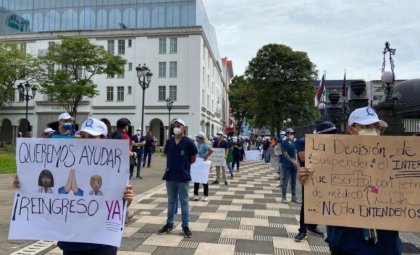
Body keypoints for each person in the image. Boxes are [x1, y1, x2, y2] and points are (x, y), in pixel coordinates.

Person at [13, 117, 134, 255]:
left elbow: (116, 202)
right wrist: (24, 182)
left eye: (92, 137)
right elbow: (46, 187)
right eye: (82, 135)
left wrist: (127, 200)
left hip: (102, 241)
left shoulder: (114, 166)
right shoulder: (67, 160)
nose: (85, 139)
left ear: (103, 138)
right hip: (72, 241)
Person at [299, 106, 402, 255]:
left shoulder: (394, 158)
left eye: (376, 127)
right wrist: (306, 180)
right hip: (347, 241)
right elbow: (320, 190)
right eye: (366, 126)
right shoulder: (333, 160)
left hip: (385, 243)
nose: (373, 131)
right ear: (351, 130)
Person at [294, 121, 336, 242]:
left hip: (327, 179)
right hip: (308, 178)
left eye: (332, 134)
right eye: (327, 134)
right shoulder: (303, 142)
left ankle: (313, 226)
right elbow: (303, 157)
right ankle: (302, 230)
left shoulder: (332, 145)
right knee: (307, 203)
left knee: (325, 203)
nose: (330, 136)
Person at [158, 118, 197, 238]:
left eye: (179, 125)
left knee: (184, 202)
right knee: (171, 201)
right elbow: (167, 155)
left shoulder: (189, 142)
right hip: (170, 176)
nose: (176, 128)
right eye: (174, 126)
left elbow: (193, 159)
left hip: (183, 177)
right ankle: (169, 224)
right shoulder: (169, 142)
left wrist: (183, 167)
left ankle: (185, 226)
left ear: (183, 128)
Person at [193, 131, 213, 202]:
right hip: (197, 163)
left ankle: (206, 195)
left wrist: (206, 157)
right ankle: (195, 195)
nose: (196, 138)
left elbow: (211, 150)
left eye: (197, 137)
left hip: (203, 163)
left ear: (200, 138)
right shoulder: (197, 144)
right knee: (196, 179)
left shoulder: (205, 145)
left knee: (204, 180)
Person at [281, 128, 299, 203]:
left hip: (294, 164)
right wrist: (292, 161)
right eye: (290, 133)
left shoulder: (293, 143)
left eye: (292, 134)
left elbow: (295, 152)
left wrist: (296, 161)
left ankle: (294, 197)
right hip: (287, 164)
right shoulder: (284, 143)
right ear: (287, 134)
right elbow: (285, 154)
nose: (291, 135)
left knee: (294, 181)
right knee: (286, 180)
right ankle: (283, 197)